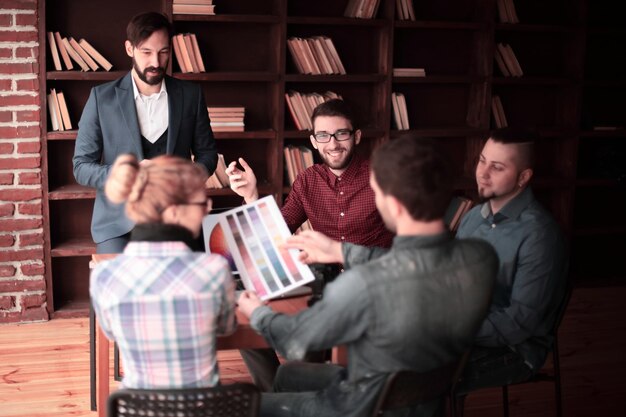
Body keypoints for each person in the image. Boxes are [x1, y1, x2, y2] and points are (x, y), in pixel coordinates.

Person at [237, 136, 499, 417]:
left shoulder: (362, 284)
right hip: (426, 399)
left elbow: (294, 340)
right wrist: (340, 250)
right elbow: (411, 262)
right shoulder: (481, 258)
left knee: (241, 406)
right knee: (287, 375)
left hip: (360, 407)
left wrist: (257, 313)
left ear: (395, 206)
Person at [227, 99, 394, 390]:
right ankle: (275, 394)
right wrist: (252, 196)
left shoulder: (380, 179)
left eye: (341, 134)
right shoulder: (307, 181)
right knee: (245, 314)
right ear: (313, 141)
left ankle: (302, 388)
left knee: (307, 356)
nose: (333, 143)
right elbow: (277, 234)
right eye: (323, 136)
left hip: (370, 284)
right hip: (318, 284)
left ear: (356, 136)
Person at [73, 11, 217, 254]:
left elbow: (208, 156)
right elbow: (81, 166)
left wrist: (182, 180)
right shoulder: (101, 98)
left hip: (176, 219)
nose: (156, 62)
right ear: (130, 49)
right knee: (120, 287)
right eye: (146, 52)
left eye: (163, 52)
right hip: (118, 224)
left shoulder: (191, 95)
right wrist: (127, 175)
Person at [90, 154, 236, 389]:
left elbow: (112, 333)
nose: (206, 211)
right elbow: (226, 328)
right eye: (201, 203)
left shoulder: (104, 276)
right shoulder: (214, 270)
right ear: (174, 211)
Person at [455, 128, 568, 396]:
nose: (482, 173)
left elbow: (521, 321)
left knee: (417, 376)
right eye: (482, 160)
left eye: (497, 167)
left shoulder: (540, 235)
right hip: (467, 330)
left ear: (523, 177)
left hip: (515, 348)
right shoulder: (471, 218)